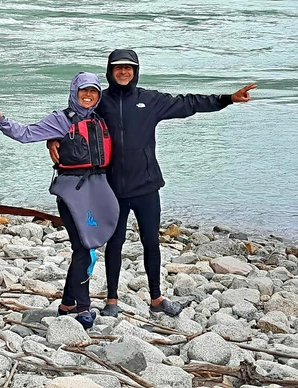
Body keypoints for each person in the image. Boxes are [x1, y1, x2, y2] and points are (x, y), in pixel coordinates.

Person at [95, 48, 255, 317]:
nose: (124, 72)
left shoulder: (149, 100)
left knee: (151, 243)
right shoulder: (100, 101)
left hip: (146, 186)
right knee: (115, 243)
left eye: (129, 68)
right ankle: (112, 300)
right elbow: (70, 119)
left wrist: (227, 99)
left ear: (135, 71)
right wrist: (53, 139)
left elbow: (188, 103)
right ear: (110, 71)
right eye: (118, 67)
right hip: (112, 187)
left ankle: (156, 298)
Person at [0, 73, 120, 329]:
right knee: (83, 247)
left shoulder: (101, 119)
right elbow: (25, 134)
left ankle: (67, 303)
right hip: (72, 191)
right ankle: (83, 307)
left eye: (93, 91)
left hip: (97, 188)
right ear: (74, 92)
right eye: (83, 91)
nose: (88, 96)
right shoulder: (61, 120)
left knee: (86, 247)